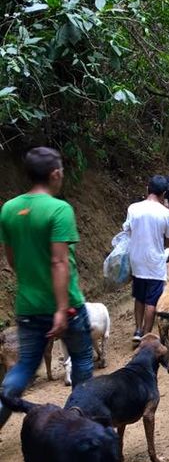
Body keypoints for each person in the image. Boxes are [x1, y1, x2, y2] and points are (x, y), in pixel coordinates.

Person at [0, 147, 93, 429]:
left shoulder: (9, 209)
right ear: (54, 174)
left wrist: (33, 285)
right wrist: (61, 309)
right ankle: (77, 426)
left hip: (28, 305)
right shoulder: (59, 210)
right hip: (67, 306)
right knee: (82, 361)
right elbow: (59, 262)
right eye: (62, 170)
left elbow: (12, 259)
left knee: (25, 367)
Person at [123, 175, 169, 345]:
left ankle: (137, 330)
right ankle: (146, 334)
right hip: (155, 262)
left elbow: (127, 231)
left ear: (147, 189)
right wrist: (163, 248)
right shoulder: (166, 213)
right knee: (151, 301)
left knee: (139, 297)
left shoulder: (133, 208)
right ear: (164, 194)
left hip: (136, 259)